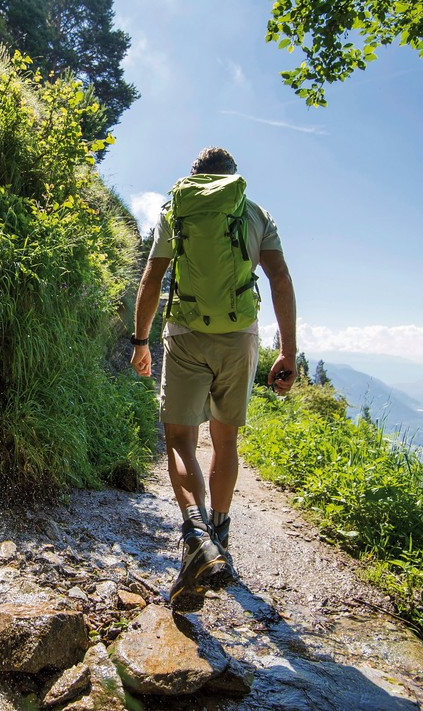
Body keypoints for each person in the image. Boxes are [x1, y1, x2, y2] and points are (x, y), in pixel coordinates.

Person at [130, 147, 296, 608]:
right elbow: (280, 278)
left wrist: (140, 342)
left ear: (194, 177)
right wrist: (287, 350)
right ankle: (218, 535)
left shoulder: (176, 210)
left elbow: (152, 277)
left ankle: (196, 537)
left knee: (181, 440)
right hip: (240, 336)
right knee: (225, 441)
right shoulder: (255, 212)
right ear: (233, 179)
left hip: (185, 333)